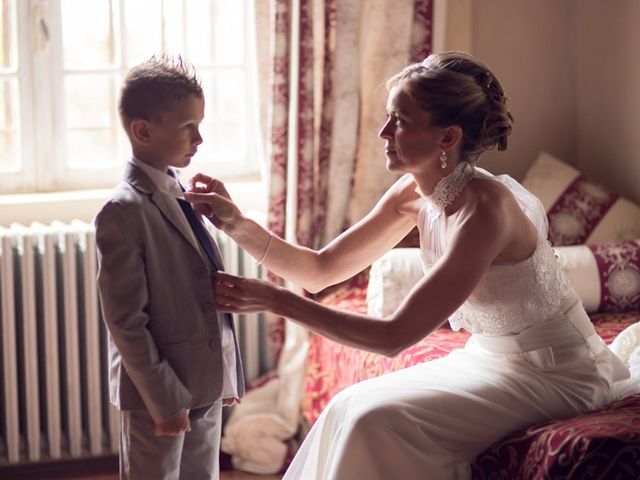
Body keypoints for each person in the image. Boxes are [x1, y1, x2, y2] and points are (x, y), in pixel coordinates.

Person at [185, 52, 629, 479]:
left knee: (371, 422)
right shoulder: (411, 195)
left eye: (399, 121)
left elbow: (394, 337)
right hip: (488, 358)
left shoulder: (487, 210)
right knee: (346, 405)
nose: (382, 132)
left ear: (447, 138)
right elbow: (321, 270)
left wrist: (278, 302)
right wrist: (235, 222)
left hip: (555, 373)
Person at [94, 55, 244, 480]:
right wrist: (164, 398)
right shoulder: (121, 211)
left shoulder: (181, 191)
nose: (200, 138)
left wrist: (226, 374)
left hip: (205, 381)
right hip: (157, 392)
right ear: (143, 131)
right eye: (188, 127)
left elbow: (201, 289)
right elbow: (125, 321)